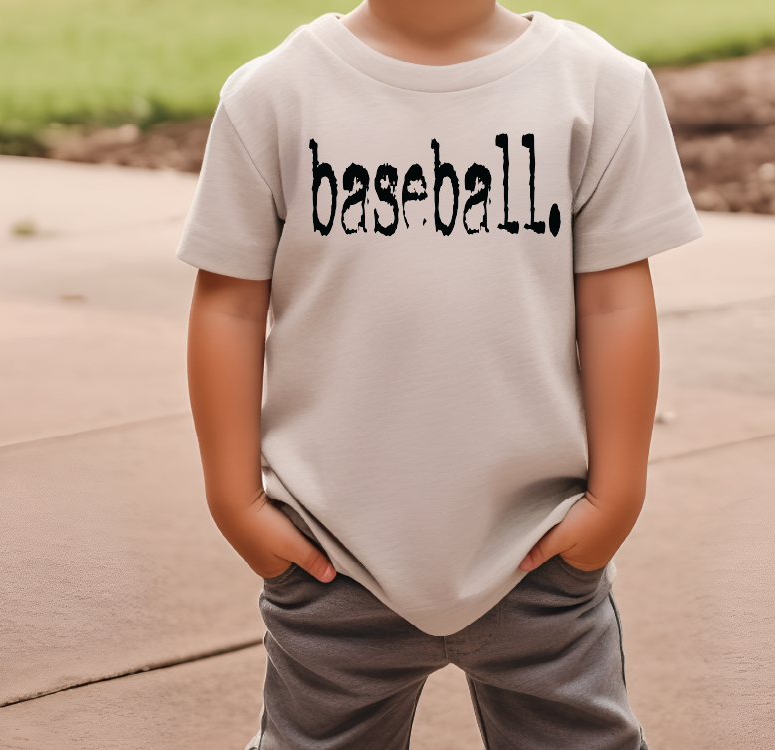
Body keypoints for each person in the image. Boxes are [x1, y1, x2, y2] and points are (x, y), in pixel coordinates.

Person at [178, 1, 702, 747]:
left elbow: (617, 302)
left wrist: (617, 496)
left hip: (541, 550)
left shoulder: (597, 89)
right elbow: (228, 306)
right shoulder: (273, 96)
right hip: (331, 556)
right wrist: (234, 500)